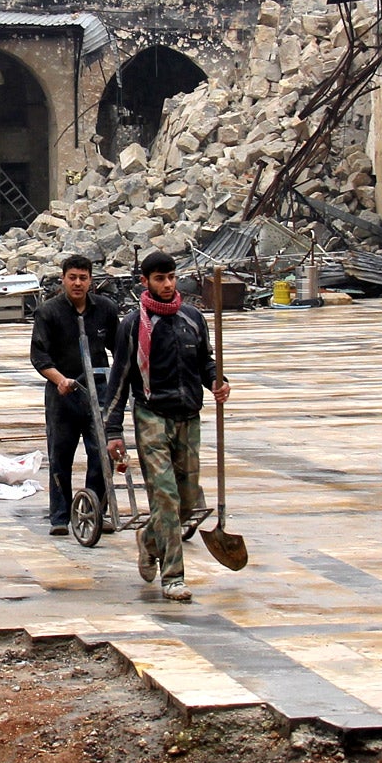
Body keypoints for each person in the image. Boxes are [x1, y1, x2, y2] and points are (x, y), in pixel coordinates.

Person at [104, 249, 230, 602]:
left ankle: (148, 539)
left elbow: (204, 361)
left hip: (188, 417)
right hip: (152, 416)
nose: (167, 284)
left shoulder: (192, 318)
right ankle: (173, 576)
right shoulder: (133, 326)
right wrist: (113, 432)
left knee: (188, 502)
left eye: (171, 277)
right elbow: (120, 379)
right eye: (159, 278)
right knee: (165, 497)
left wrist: (218, 381)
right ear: (145, 282)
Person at [29, 253, 120, 538]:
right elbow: (39, 356)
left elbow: (119, 350)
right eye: (72, 278)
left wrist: (122, 382)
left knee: (101, 454)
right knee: (61, 455)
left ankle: (95, 510)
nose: (78, 283)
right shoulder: (48, 312)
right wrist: (59, 380)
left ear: (91, 281)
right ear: (63, 279)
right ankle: (59, 516)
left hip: (99, 391)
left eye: (83, 278)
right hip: (64, 394)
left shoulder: (105, 309)